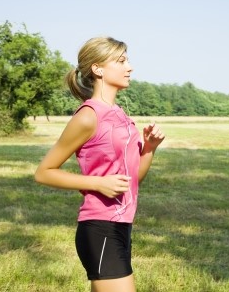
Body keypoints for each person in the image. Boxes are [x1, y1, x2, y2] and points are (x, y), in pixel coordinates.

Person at [34, 37, 165, 292]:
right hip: (99, 227)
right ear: (98, 69)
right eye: (121, 61)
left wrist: (149, 149)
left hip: (122, 225)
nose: (130, 67)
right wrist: (97, 182)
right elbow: (43, 173)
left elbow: (132, 179)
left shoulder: (120, 115)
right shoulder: (88, 116)